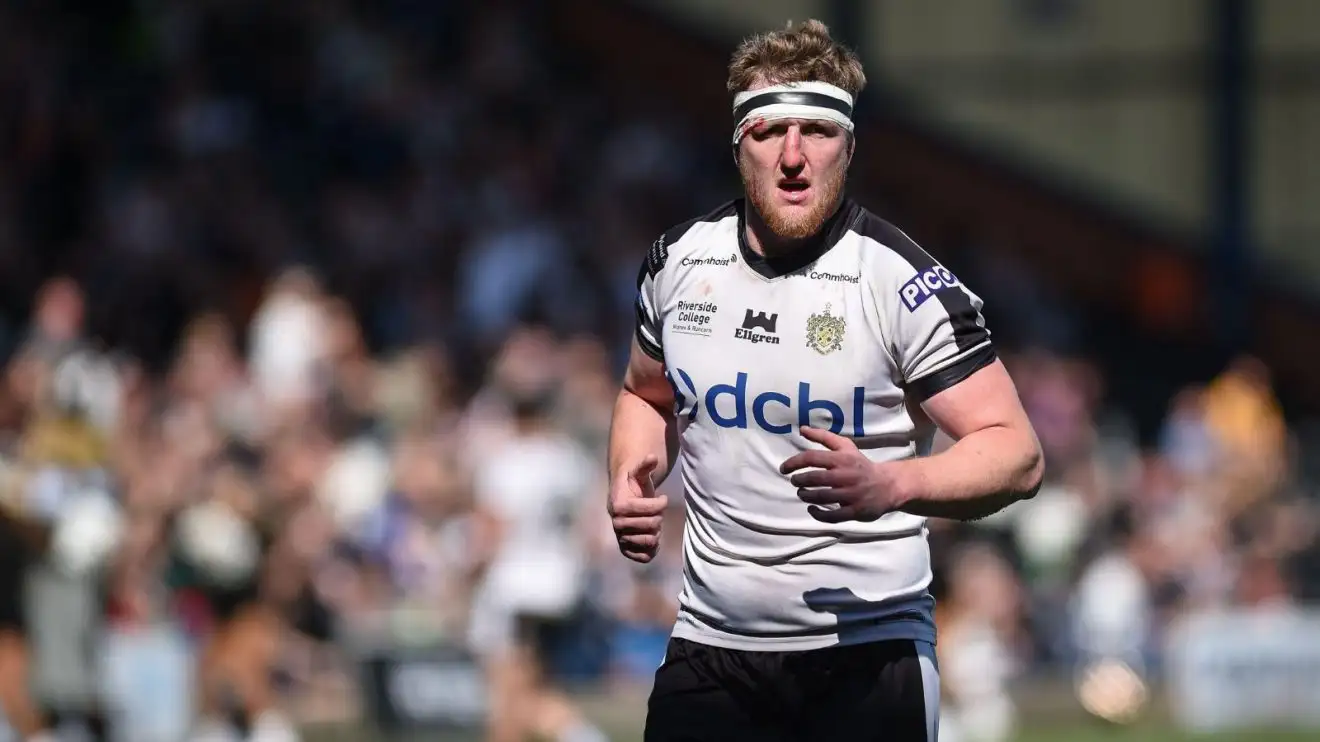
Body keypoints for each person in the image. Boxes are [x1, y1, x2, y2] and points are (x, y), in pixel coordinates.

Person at [606, 19, 1044, 742]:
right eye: (768, 131)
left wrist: (893, 484)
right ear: (736, 146)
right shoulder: (677, 264)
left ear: (849, 145)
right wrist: (630, 473)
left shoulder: (900, 283)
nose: (792, 156)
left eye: (817, 130)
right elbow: (643, 394)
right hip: (711, 651)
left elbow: (1018, 454)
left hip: (867, 657)